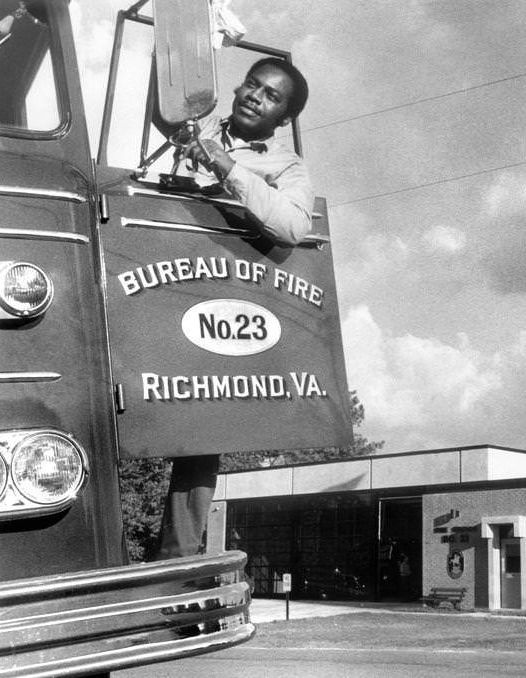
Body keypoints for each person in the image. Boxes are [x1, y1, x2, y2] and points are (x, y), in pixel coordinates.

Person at [153, 57, 313, 560]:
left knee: (200, 427)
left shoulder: (288, 167)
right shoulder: (191, 124)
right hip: (147, 274)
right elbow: (158, 112)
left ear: (284, 118)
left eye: (270, 95)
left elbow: (292, 226)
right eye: (251, 84)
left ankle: (172, 571)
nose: (253, 96)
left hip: (212, 297)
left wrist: (223, 164)